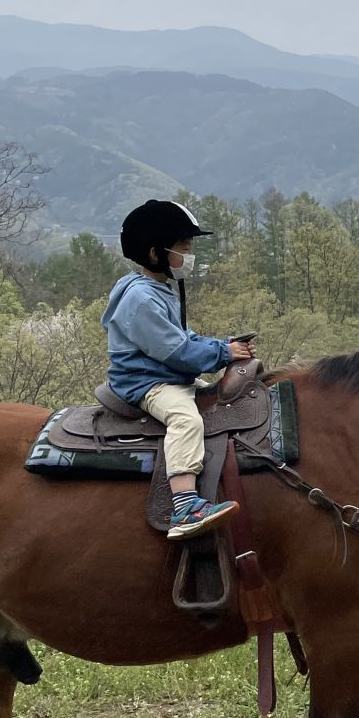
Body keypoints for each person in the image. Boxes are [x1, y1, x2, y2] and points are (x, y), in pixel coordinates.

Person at [105, 199, 254, 540]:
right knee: (186, 420)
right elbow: (178, 352)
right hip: (148, 382)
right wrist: (223, 353)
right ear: (155, 253)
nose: (190, 255)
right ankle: (185, 505)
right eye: (184, 247)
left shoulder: (159, 289)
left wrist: (225, 345)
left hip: (166, 374)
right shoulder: (142, 299)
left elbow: (186, 337)